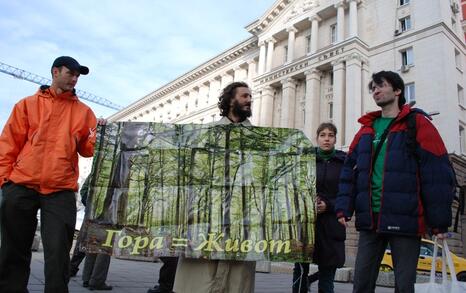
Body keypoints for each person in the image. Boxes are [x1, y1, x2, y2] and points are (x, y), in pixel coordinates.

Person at [335, 70, 455, 293]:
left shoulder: (418, 123)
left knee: (404, 286)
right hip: (370, 218)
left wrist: (438, 222)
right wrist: (343, 207)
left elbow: (436, 173)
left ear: (398, 90)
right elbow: (349, 171)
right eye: (373, 88)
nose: (376, 91)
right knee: (361, 284)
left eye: (381, 86)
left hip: (406, 220)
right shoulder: (366, 129)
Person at [0, 56, 101, 293]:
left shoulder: (84, 112)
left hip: (60, 189)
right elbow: (8, 145)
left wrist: (98, 135)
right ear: (55, 72)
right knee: (13, 248)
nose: (74, 79)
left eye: (78, 76)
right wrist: (5, 181)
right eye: (71, 73)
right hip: (21, 184)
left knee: (58, 251)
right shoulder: (26, 105)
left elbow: (87, 151)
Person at [173, 81, 255, 293]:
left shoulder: (257, 137)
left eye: (250, 97)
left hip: (241, 217)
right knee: (201, 274)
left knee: (236, 277)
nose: (249, 100)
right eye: (244, 96)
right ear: (230, 100)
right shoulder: (206, 133)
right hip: (207, 215)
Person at [292, 123, 346, 293]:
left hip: (331, 225)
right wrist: (308, 202)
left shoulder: (343, 162)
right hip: (306, 224)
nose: (327, 139)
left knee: (327, 274)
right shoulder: (305, 160)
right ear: (317, 138)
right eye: (323, 135)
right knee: (300, 271)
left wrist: (328, 205)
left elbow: (347, 194)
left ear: (336, 139)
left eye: (330, 135)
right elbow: (294, 188)